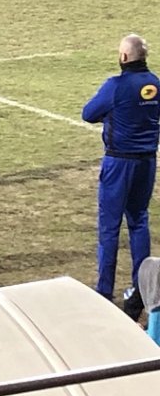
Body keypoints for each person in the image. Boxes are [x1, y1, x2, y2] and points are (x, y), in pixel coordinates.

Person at [82, 34, 160, 320]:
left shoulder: (115, 86)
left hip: (119, 163)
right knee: (139, 221)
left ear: (125, 57)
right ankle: (142, 289)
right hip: (147, 161)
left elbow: (89, 114)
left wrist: (115, 116)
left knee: (109, 227)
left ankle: (104, 290)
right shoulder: (155, 84)